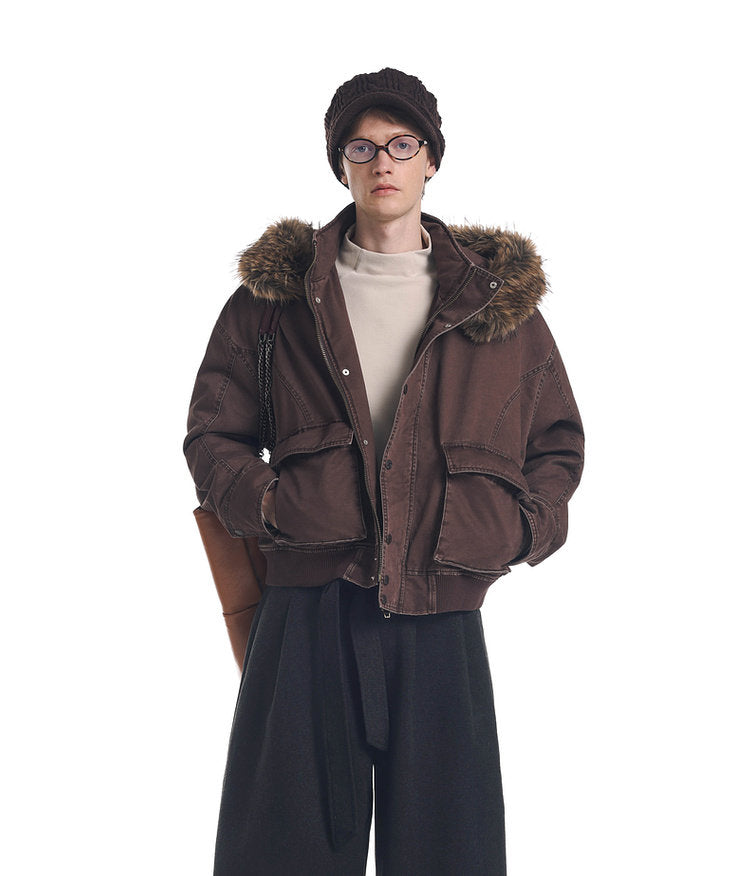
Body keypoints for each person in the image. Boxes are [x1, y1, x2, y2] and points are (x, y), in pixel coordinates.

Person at [183, 67, 585, 876]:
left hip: (442, 611)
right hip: (306, 608)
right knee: (280, 851)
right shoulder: (275, 301)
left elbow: (557, 445)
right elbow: (212, 434)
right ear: (341, 165)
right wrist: (274, 506)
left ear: (432, 158)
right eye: (362, 148)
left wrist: (515, 530)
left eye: (402, 145)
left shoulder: (495, 307)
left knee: (450, 852)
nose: (384, 164)